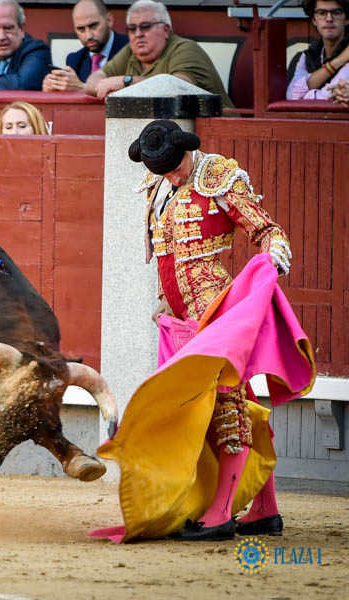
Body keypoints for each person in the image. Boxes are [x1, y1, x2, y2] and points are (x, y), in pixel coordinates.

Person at [118, 120, 293, 542]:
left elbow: (268, 231)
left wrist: (270, 266)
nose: (173, 176)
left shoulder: (216, 177)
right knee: (233, 403)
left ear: (187, 150)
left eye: (176, 167)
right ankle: (265, 508)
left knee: (226, 405)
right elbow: (166, 257)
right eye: (164, 171)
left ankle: (220, 514)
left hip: (216, 311)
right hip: (180, 319)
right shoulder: (157, 186)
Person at [84, 0, 234, 108]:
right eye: (131, 28)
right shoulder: (131, 51)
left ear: (166, 30)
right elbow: (92, 82)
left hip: (220, 136)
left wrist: (127, 81)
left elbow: (178, 89)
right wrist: (115, 89)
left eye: (145, 27)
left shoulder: (185, 49)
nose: (138, 34)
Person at [42, 0, 128, 92]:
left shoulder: (131, 50)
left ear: (109, 20)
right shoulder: (74, 60)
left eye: (93, 26)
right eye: (81, 29)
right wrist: (55, 89)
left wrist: (82, 88)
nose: (88, 35)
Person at [286, 0, 349, 100]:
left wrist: (306, 94)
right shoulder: (309, 55)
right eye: (322, 13)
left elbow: (327, 98)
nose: (329, 19)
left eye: (336, 12)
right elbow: (292, 95)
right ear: (314, 20)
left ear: (347, 19)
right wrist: (337, 62)